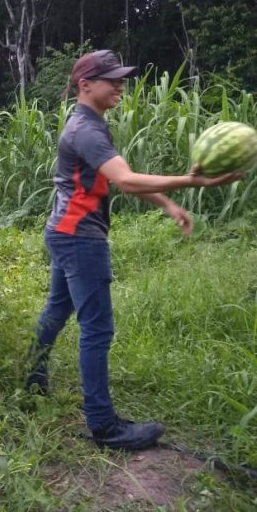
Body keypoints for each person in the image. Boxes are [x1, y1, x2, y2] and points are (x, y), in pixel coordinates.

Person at [25, 49, 241, 451]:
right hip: (79, 239)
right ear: (85, 85)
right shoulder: (86, 129)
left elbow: (109, 179)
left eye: (121, 77)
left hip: (63, 231)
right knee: (97, 328)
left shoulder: (88, 123)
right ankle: (104, 426)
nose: (120, 85)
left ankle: (31, 380)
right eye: (112, 79)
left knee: (57, 308)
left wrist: (168, 203)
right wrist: (194, 183)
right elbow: (125, 180)